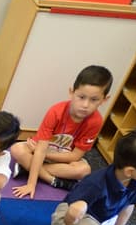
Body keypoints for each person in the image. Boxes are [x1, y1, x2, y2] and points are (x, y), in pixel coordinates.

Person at [10, 65, 113, 198]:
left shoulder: (96, 121)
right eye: (81, 97)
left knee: (84, 170)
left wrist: (45, 155)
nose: (85, 105)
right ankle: (52, 180)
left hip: (61, 157)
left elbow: (75, 156)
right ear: (72, 92)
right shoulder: (56, 111)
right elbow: (40, 149)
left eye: (94, 100)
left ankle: (27, 169)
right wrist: (31, 184)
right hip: (39, 149)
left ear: (104, 100)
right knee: (17, 149)